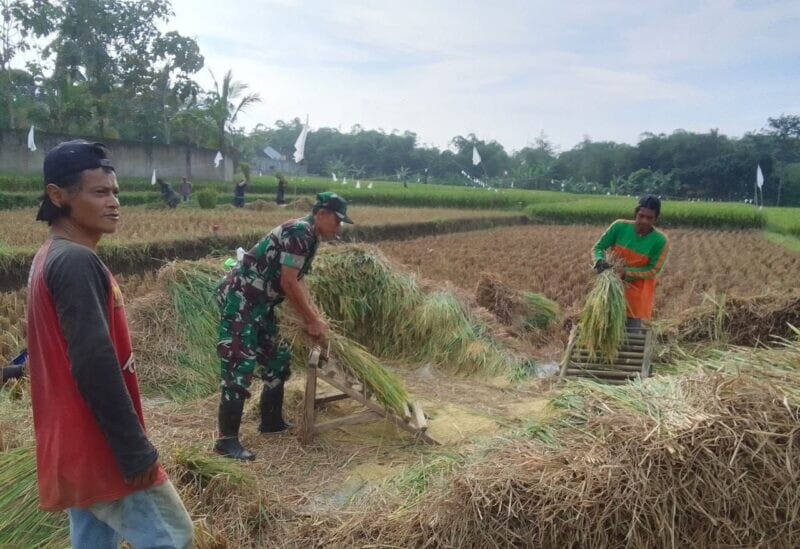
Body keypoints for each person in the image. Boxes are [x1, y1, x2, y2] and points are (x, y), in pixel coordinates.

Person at [27, 140, 193, 548]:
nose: (114, 202)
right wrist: (133, 449)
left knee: (92, 541)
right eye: (99, 192)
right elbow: (93, 361)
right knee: (173, 538)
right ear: (58, 196)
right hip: (98, 444)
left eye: (115, 192)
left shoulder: (49, 257)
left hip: (71, 444)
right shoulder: (75, 262)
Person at [214, 191, 353, 460]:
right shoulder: (299, 233)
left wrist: (313, 316)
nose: (339, 228)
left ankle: (271, 422)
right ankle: (226, 441)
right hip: (242, 299)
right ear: (321, 214)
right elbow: (288, 282)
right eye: (337, 221)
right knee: (239, 362)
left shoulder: (311, 238)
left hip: (261, 304)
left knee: (277, 357)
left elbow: (298, 280)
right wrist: (312, 320)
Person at [592, 194, 669, 326]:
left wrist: (625, 273)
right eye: (641, 216)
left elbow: (653, 270)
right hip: (608, 292)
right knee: (602, 329)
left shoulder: (660, 241)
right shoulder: (619, 227)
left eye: (649, 218)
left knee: (631, 337)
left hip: (636, 299)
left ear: (656, 219)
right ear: (636, 213)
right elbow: (599, 247)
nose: (644, 221)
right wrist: (599, 261)